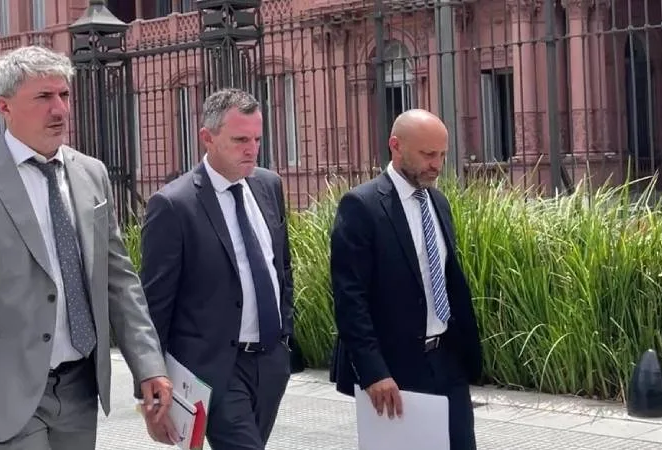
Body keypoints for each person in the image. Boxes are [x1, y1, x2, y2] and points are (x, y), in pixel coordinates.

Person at [0, 45, 175, 450]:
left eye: (64, 95)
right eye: (44, 97)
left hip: (79, 391)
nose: (60, 109)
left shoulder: (91, 174)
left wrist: (149, 365)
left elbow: (119, 282)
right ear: (4, 107)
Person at [141, 88, 294, 450]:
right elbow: (154, 305)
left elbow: (281, 267)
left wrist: (285, 339)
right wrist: (150, 390)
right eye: (240, 140)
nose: (252, 149)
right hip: (216, 370)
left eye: (257, 139)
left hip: (270, 363)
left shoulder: (268, 185)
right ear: (207, 138)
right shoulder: (174, 205)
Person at [329, 109, 483, 449]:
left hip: (446, 360)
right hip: (395, 369)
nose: (436, 165)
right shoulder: (362, 205)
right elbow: (350, 298)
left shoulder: (438, 202)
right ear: (396, 146)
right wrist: (374, 372)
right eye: (427, 154)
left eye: (442, 155)